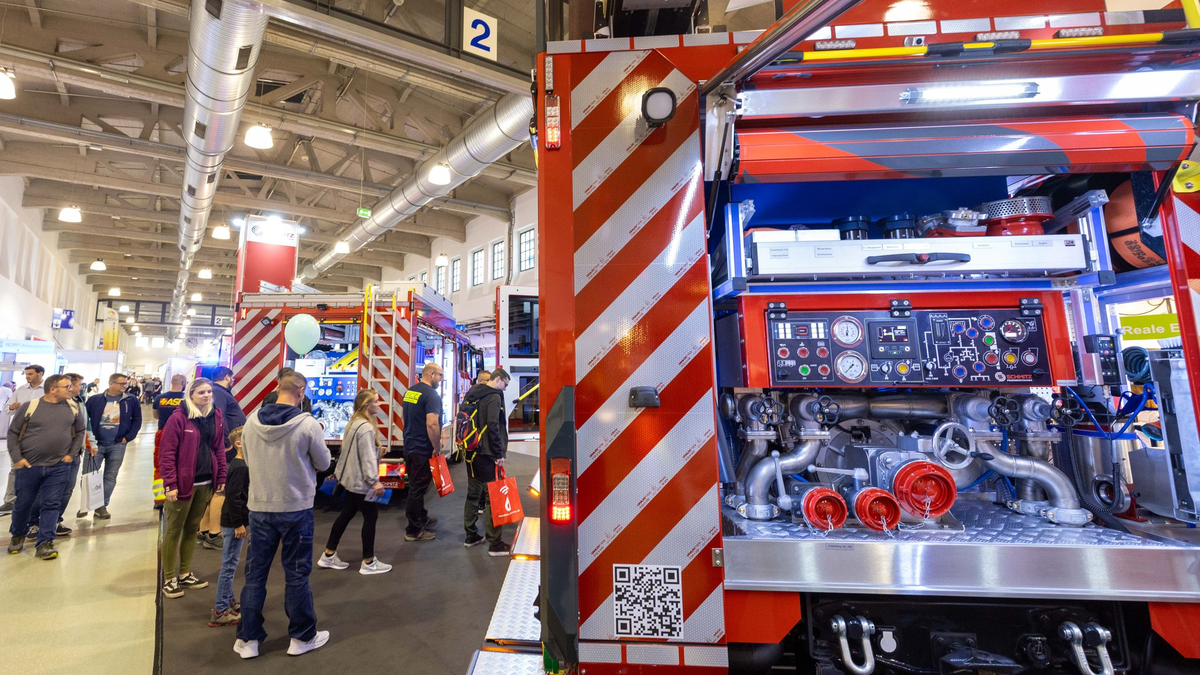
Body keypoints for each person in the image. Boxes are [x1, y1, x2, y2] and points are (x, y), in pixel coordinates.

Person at [235, 371, 331, 659]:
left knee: (255, 576)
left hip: (260, 507)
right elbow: (324, 462)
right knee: (296, 575)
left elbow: (249, 461)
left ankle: (249, 640)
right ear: (300, 392)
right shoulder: (308, 424)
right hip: (296, 508)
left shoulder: (251, 421)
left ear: (278, 388)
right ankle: (302, 637)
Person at [159, 378, 227, 599]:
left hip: (206, 483)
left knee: (191, 529)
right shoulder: (178, 418)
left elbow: (218, 448)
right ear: (191, 394)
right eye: (201, 393)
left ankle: (185, 573)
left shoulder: (215, 416)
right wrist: (170, 484)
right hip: (181, 486)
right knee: (173, 531)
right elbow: (166, 454)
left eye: (209, 392)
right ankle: (169, 578)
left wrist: (221, 475)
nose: (206, 396)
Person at [6, 374, 85, 560]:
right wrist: (17, 458)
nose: (71, 389)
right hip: (28, 466)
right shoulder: (30, 407)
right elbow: (13, 433)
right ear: (53, 389)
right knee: (23, 503)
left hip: (58, 466)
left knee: (51, 504)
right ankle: (17, 535)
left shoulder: (73, 408)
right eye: (66, 386)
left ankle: (45, 543)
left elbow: (80, 431)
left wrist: (70, 454)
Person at [318, 390, 391, 575]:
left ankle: (329, 554)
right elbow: (365, 458)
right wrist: (374, 482)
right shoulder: (366, 428)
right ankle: (368, 561)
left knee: (347, 513)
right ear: (367, 405)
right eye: (376, 401)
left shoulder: (354, 424)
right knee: (370, 516)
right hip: (361, 482)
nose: (379, 404)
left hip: (350, 479)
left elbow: (358, 453)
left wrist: (377, 452)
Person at [462, 368, 513, 556]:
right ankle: (495, 543)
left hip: (470, 451)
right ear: (498, 379)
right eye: (505, 384)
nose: (505, 389)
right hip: (487, 453)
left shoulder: (473, 393)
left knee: (473, 494)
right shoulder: (494, 397)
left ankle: (471, 536)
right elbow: (493, 425)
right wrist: (499, 453)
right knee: (493, 497)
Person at [35, 373, 89, 537]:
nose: (79, 388)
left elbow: (84, 427)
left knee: (67, 490)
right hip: (53, 456)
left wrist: (88, 444)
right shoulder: (46, 405)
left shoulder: (79, 403)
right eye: (77, 385)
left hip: (73, 455)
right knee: (43, 491)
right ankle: (35, 523)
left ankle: (56, 521)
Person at [199, 367, 246, 549]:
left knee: (215, 490)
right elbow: (219, 418)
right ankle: (214, 533)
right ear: (227, 377)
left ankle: (203, 530)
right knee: (221, 489)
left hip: (223, 448)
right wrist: (226, 443)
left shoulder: (218, 392)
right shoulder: (218, 392)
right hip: (226, 450)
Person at [84, 373, 143, 519]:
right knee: (89, 475)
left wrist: (128, 437)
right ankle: (87, 504)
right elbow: (84, 419)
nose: (125, 386)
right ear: (111, 383)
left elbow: (137, 419)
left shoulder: (131, 400)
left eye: (125, 384)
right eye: (121, 384)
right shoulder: (95, 400)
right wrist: (88, 439)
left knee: (110, 476)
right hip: (95, 445)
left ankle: (101, 505)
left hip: (117, 444)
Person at [401, 362, 444, 542]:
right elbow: (432, 423)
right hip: (421, 448)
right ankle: (413, 530)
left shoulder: (410, 392)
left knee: (416, 486)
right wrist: (436, 446)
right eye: (440, 376)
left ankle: (421, 517)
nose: (441, 380)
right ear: (431, 374)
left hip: (409, 445)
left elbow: (405, 417)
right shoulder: (431, 395)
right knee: (418, 488)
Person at [210, 425, 248, 628]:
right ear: (239, 443)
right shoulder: (240, 467)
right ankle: (221, 609)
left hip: (233, 522)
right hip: (233, 523)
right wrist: (239, 524)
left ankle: (228, 601)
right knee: (229, 566)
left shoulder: (240, 464)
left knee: (230, 565)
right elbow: (233, 498)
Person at [1, 366, 47, 515]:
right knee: (16, 466)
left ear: (40, 374)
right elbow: (8, 409)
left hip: (40, 434)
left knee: (39, 467)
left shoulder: (47, 390)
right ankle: (10, 500)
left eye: (30, 374)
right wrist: (12, 407)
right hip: (20, 433)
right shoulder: (20, 390)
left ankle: (35, 501)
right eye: (26, 374)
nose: (27, 376)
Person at [151, 374, 188, 509]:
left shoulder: (160, 398)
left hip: (162, 433)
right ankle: (178, 491)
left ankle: (160, 497)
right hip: (182, 434)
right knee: (183, 462)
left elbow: (155, 416)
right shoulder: (186, 399)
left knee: (161, 463)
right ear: (183, 383)